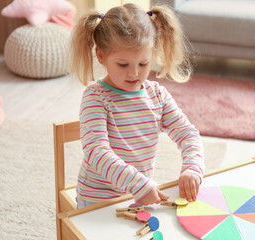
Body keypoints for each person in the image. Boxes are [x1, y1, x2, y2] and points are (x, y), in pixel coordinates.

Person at [68, 3, 205, 209]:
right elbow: (97, 152)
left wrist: (192, 169)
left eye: (143, 64)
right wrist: (138, 184)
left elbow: (187, 134)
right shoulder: (95, 97)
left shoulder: (157, 95)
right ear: (101, 56)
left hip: (140, 194)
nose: (134, 74)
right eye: (123, 65)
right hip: (97, 200)